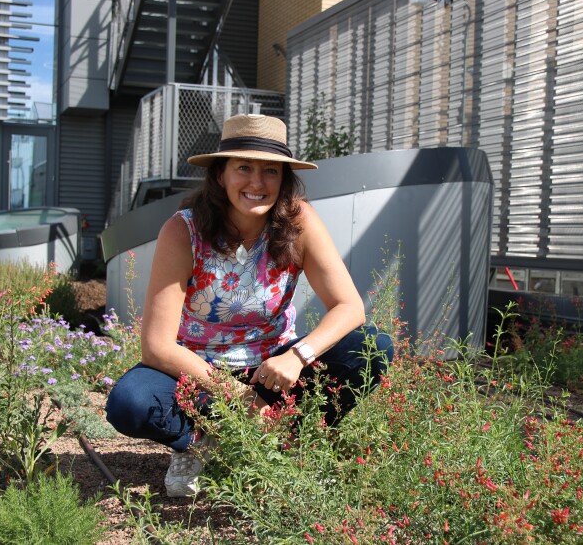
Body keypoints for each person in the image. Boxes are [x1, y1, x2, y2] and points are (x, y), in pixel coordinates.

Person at [105, 114, 394, 497]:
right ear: (220, 174)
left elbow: (350, 306)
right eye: (244, 167)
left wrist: (298, 357)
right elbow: (157, 346)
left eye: (270, 171)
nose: (257, 183)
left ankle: (286, 441)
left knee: (373, 347)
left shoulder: (298, 222)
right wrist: (240, 399)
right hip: (197, 373)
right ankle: (199, 443)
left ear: (284, 179)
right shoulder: (183, 231)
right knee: (130, 402)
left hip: (272, 368)